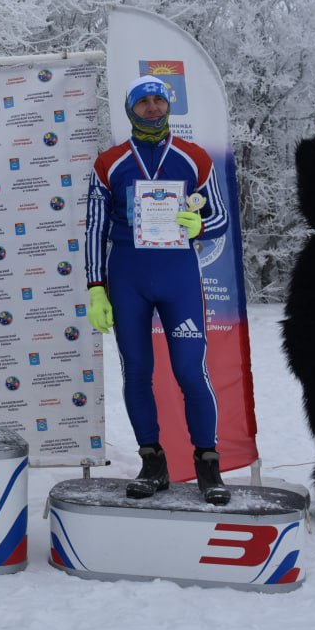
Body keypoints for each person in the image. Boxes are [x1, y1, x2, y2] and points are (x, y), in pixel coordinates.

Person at [84, 75, 231, 504]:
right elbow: (94, 229)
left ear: (169, 107)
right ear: (131, 108)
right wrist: (97, 288)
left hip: (178, 275)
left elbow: (221, 216)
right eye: (143, 102)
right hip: (128, 276)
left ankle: (208, 462)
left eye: (159, 101)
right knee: (137, 373)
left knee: (190, 371)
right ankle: (152, 460)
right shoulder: (109, 162)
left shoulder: (193, 157)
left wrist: (198, 224)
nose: (152, 108)